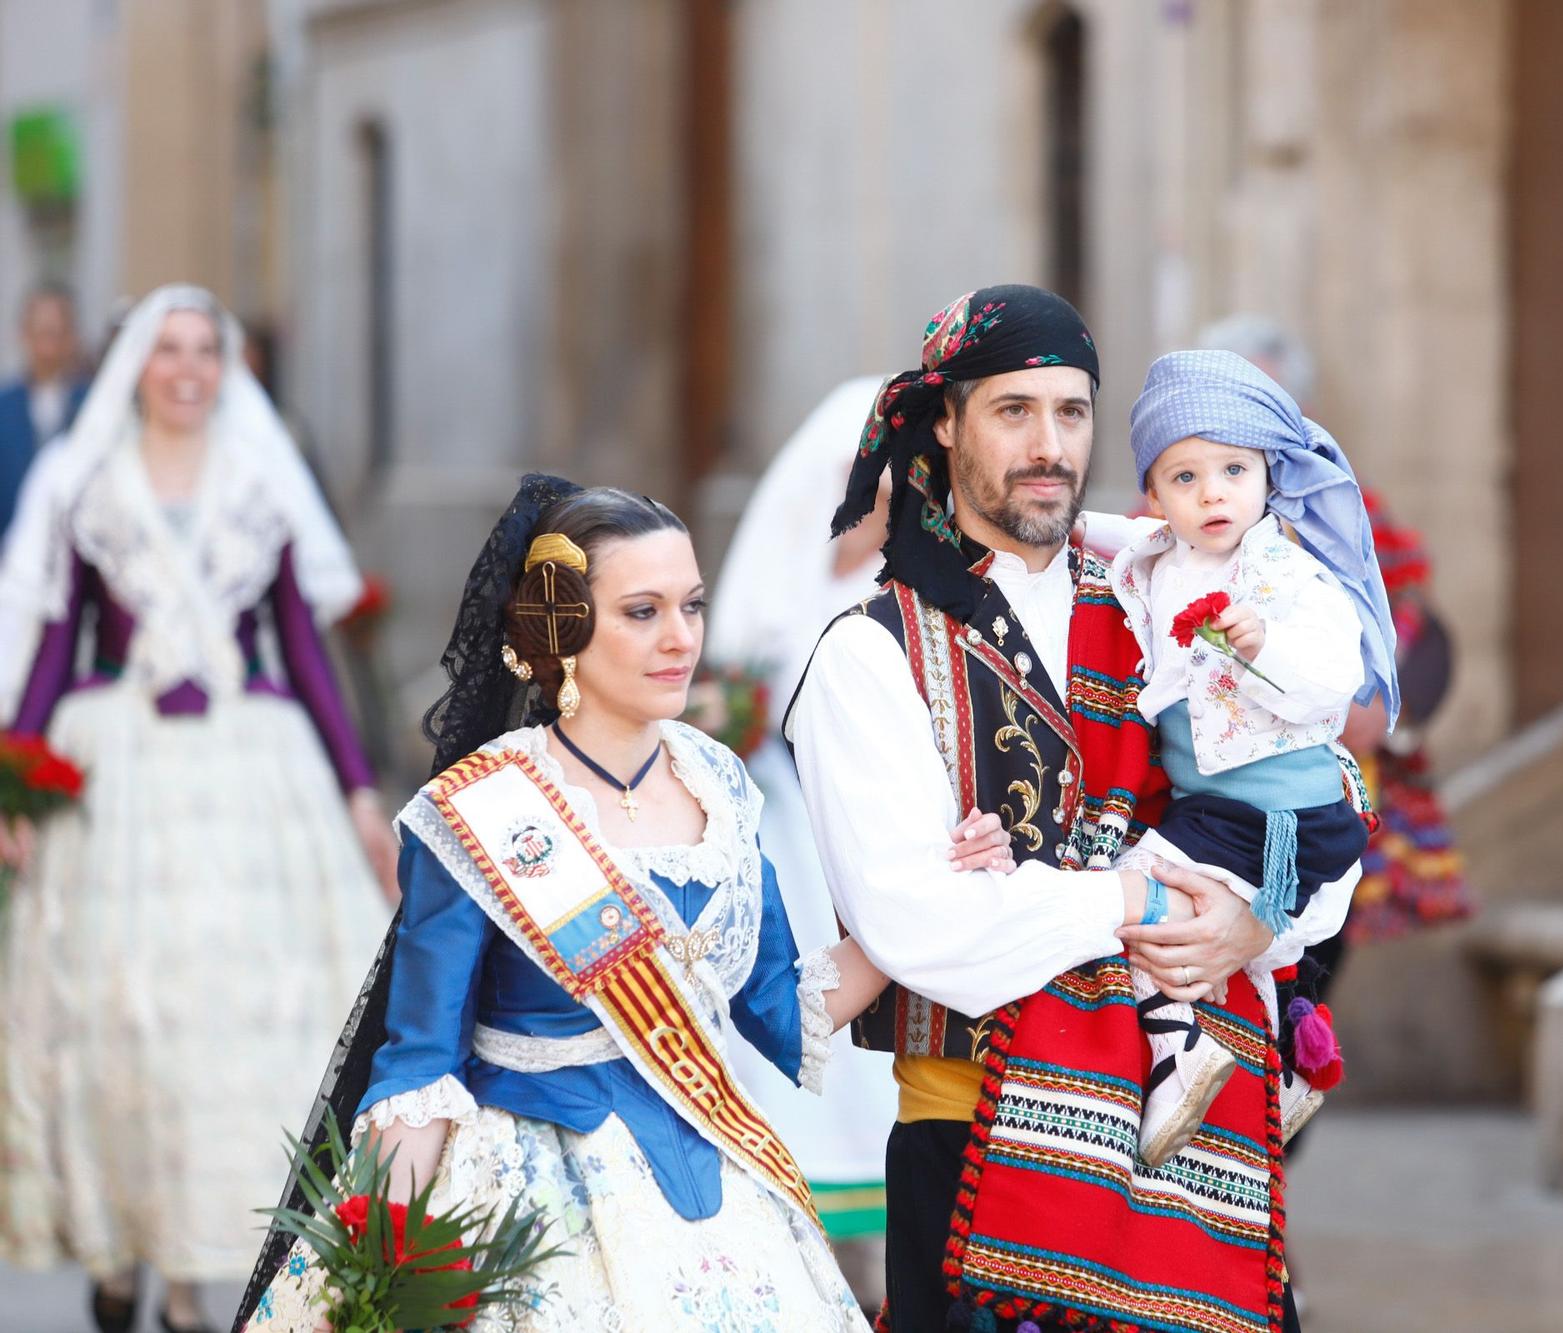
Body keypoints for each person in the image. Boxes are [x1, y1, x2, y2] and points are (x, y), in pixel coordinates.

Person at [239, 479, 1006, 1332]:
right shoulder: (484, 807)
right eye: (643, 611)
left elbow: (782, 1012)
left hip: (718, 1188)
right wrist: (381, 1265)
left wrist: (938, 887)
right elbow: (420, 1063)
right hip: (529, 1208)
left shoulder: (721, 786)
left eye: (691, 605)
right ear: (561, 629)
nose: (681, 638)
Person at [789, 285, 1323, 1333]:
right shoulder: (870, 652)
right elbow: (923, 928)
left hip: (1197, 1141)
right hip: (977, 1158)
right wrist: (1143, 896)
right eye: (1012, 410)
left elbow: (1304, 796)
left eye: (1070, 412)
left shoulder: (1161, 586)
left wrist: (1259, 916)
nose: (1047, 445)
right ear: (943, 422)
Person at [0, 284, 395, 1333]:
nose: (186, 369)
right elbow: (54, 640)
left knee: (235, 1018)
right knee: (125, 1014)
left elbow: (304, 652)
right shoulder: (88, 483)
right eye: (167, 350)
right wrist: (18, 777)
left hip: (249, 770)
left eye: (205, 352)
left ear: (225, 369)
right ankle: (124, 1240)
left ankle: (187, 1272)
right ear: (135, 363)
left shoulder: (260, 481)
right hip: (118, 769)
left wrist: (358, 787)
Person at [1108, 349, 1395, 1163]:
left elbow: (1333, 684)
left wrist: (1261, 644)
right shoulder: (1163, 554)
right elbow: (1102, 533)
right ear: (1155, 493)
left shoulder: (1289, 575)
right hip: (1222, 808)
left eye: (1233, 469)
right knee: (1250, 951)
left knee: (1130, 901)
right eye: (1184, 477)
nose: (1212, 495)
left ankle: (1177, 1053)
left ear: (1268, 474)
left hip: (1274, 813)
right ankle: (1286, 1075)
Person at [1195, 315, 1471, 991]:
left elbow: (1415, 622)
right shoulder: (1182, 503)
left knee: (1309, 972)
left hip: (1333, 784)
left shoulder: (1340, 500)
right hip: (1217, 788)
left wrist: (1378, 706)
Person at [705, 377, 900, 1270]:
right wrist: (732, 717)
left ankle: (888, 1262)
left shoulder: (909, 564)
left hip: (871, 811)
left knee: (872, 1047)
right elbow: (746, 664)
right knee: (789, 1022)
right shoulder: (792, 561)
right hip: (785, 811)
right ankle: (805, 1258)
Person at [0, 282, 87, 534]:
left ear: (71, 337)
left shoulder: (91, 406)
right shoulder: (4, 407)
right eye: (41, 332)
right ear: (24, 334)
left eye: (56, 333)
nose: (48, 344)